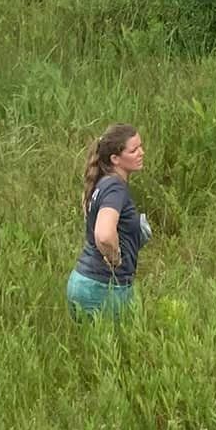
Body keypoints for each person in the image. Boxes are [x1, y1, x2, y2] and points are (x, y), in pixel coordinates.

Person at [66, 122, 151, 320]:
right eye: (134, 149)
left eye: (141, 146)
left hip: (83, 282)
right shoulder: (115, 189)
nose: (141, 152)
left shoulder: (100, 183)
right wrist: (116, 259)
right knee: (120, 349)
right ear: (115, 158)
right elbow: (103, 234)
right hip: (103, 288)